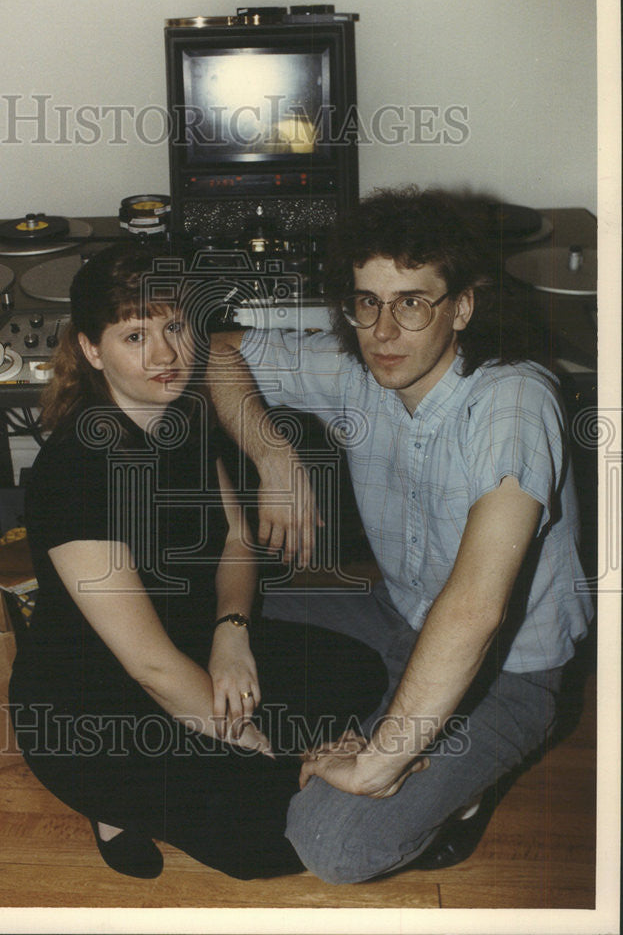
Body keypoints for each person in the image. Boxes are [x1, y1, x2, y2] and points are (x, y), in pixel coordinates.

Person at [206, 186, 594, 883]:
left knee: (331, 843)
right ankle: (374, 719)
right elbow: (219, 352)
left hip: (507, 673)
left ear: (462, 307)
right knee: (202, 619)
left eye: (412, 302)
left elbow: (475, 609)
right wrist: (270, 454)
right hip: (395, 613)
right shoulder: (361, 367)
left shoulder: (512, 401)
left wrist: (377, 765)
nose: (384, 332)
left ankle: (465, 789)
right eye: (366, 302)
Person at [7, 241, 388, 881]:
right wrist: (252, 741)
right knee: (269, 844)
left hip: (186, 649)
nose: (165, 354)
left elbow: (236, 541)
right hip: (92, 702)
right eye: (134, 336)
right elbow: (148, 664)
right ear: (92, 350)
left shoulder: (185, 412)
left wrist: (231, 633)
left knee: (356, 672)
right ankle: (110, 798)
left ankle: (210, 773)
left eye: (175, 327)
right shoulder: (77, 471)